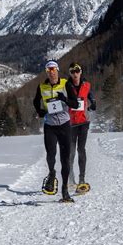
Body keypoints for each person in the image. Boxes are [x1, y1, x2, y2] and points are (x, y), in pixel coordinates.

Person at [33, 60, 79, 202]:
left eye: (53, 69)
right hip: (50, 125)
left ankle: (65, 190)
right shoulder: (42, 86)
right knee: (50, 154)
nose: (51, 72)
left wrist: (64, 99)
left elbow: (75, 103)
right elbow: (36, 101)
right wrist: (40, 111)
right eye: (48, 70)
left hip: (64, 125)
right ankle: (52, 174)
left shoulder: (66, 84)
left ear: (57, 70)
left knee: (65, 159)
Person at [67, 62, 96, 194]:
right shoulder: (67, 86)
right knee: (71, 151)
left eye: (77, 71)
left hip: (84, 122)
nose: (75, 74)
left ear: (81, 72)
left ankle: (82, 180)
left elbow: (90, 96)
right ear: (70, 73)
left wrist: (93, 103)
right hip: (71, 123)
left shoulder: (87, 85)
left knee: (81, 149)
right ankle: (70, 179)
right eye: (72, 72)